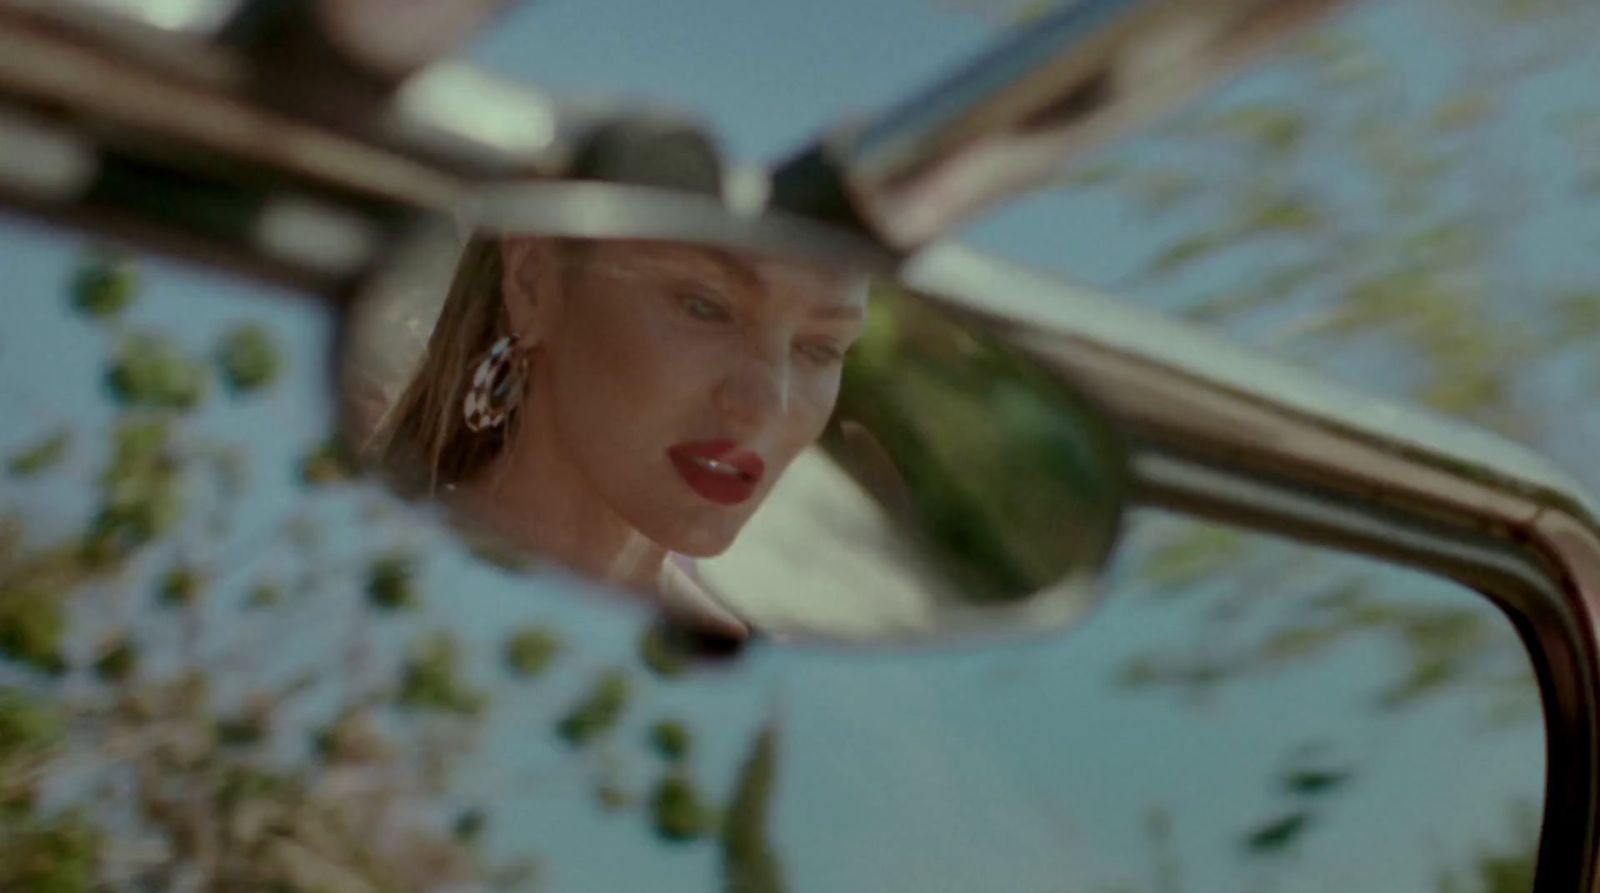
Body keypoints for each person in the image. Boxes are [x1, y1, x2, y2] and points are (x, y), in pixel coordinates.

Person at [369, 233, 868, 638]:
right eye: (704, 307)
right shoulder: (365, 572)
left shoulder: (722, 675)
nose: (766, 407)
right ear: (534, 285)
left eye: (821, 349)